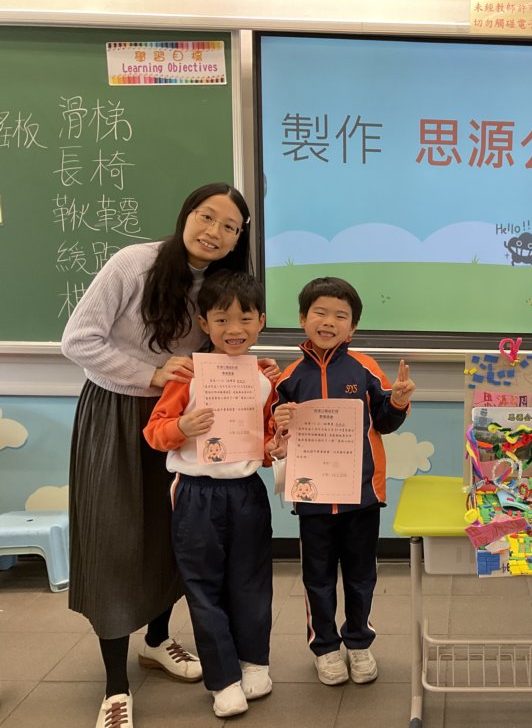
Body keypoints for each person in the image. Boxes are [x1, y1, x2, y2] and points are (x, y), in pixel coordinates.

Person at [61, 182, 272, 727]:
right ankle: (115, 685)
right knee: (115, 539)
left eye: (230, 226)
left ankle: (157, 641)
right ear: (186, 215)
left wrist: (253, 373)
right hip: (117, 413)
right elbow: (78, 339)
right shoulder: (134, 263)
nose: (215, 232)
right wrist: (150, 373)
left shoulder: (220, 282)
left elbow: (225, 345)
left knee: (175, 536)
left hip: (189, 420)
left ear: (239, 239)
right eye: (207, 216)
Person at [143, 271, 277, 718]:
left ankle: (254, 663)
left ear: (261, 321)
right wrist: (182, 427)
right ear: (204, 323)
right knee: (204, 587)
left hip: (247, 492)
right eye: (221, 320)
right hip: (196, 494)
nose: (234, 329)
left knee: (251, 581)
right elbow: (155, 432)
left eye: (245, 318)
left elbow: (267, 441)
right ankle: (223, 680)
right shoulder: (188, 374)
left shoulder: (264, 377)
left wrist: (276, 445)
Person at [270, 277, 415, 687]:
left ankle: (358, 642)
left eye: (340, 315)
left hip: (362, 496)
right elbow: (277, 439)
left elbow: (384, 421)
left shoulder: (365, 368)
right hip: (313, 498)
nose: (329, 321)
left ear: (353, 327)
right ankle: (325, 648)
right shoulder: (288, 378)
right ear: (302, 318)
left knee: (360, 575)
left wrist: (398, 400)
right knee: (316, 577)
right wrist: (279, 426)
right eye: (320, 312)